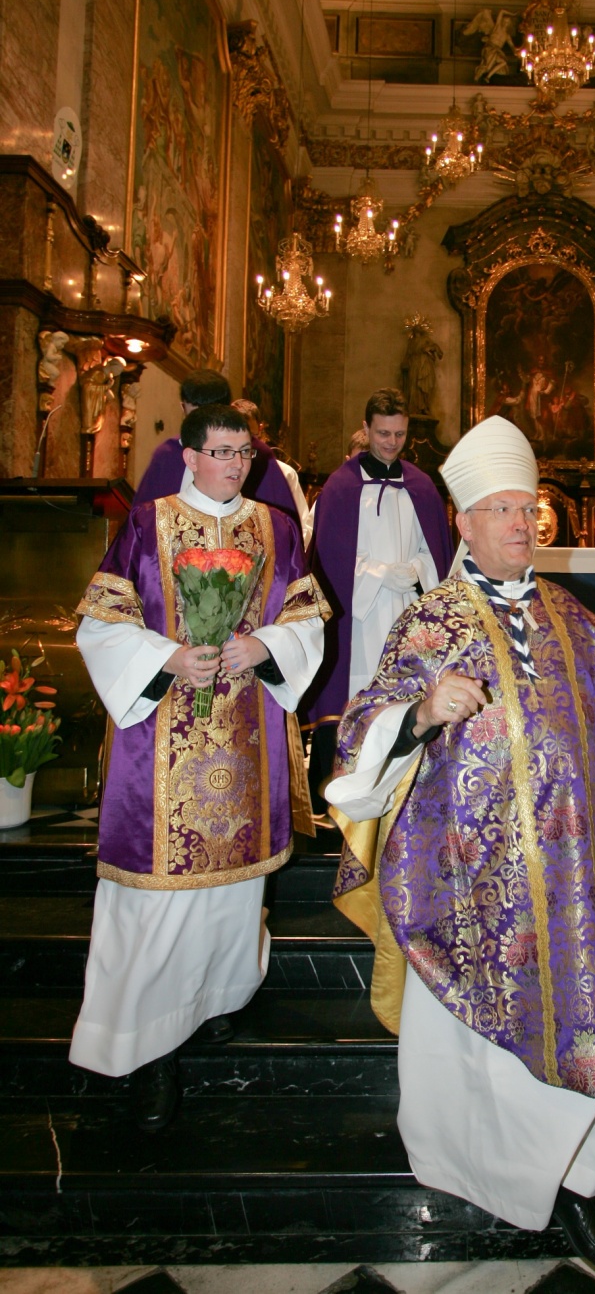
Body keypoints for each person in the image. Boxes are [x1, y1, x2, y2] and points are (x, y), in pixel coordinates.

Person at [326, 415, 595, 1279]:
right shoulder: (427, 624)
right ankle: (475, 1183)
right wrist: (420, 714)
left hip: (583, 880)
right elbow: (359, 737)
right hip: (471, 887)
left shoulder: (577, 618)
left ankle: (580, 1188)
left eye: (527, 509)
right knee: (474, 1056)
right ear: (462, 522)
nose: (518, 524)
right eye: (499, 510)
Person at [70, 403, 330, 1132]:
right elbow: (100, 623)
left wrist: (269, 646)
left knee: (233, 898)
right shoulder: (146, 523)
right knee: (158, 902)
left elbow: (308, 616)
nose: (233, 465)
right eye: (219, 452)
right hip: (160, 741)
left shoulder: (276, 528)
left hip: (245, 739)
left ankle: (214, 1002)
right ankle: (140, 1047)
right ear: (187, 455)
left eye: (243, 453)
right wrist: (167, 659)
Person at [301, 387, 452, 800]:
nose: (391, 442)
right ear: (366, 429)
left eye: (399, 434)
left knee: (407, 695)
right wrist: (379, 573)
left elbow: (435, 551)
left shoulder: (420, 486)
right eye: (383, 433)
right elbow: (329, 560)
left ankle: (405, 792)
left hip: (406, 610)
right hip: (358, 618)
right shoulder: (340, 487)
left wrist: (416, 570)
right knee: (353, 690)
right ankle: (337, 791)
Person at [131, 369, 303, 535]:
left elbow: (283, 532)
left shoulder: (259, 457)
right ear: (183, 408)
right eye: (196, 417)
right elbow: (141, 528)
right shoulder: (167, 456)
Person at [231, 397, 312, 546]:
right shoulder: (219, 469)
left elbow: (301, 526)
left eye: (251, 437)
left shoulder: (284, 473)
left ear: (260, 430)